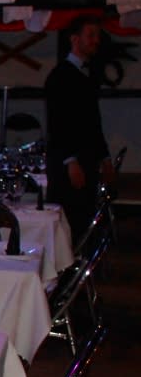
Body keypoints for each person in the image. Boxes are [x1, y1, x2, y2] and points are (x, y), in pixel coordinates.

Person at [44, 15, 117, 242]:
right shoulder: (59, 76)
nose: (96, 40)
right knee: (68, 226)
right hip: (68, 166)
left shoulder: (88, 74)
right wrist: (70, 161)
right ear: (75, 39)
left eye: (97, 36)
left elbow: (93, 122)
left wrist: (105, 157)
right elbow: (57, 123)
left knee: (82, 224)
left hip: (86, 161)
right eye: (90, 35)